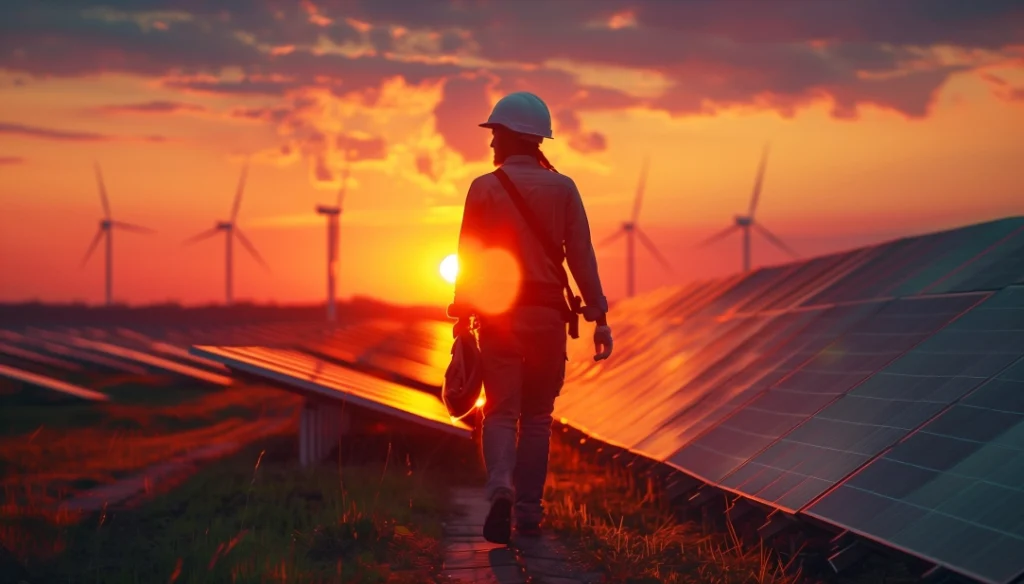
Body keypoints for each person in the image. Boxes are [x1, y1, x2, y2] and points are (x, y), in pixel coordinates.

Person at [447, 91, 614, 545]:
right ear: (538, 139)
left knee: (500, 412)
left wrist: (462, 315)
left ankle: (499, 488)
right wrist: (598, 315)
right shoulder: (564, 189)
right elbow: (582, 256)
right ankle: (527, 512)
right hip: (547, 316)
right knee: (538, 417)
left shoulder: (483, 188)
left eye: (495, 134)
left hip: (499, 316)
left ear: (509, 136)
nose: (491, 144)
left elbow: (469, 256)